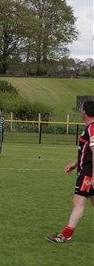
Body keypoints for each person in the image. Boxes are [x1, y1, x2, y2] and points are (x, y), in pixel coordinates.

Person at [46, 100, 94, 243]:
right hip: (86, 171)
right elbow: (87, 152)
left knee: (78, 202)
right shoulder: (90, 128)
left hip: (88, 174)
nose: (81, 111)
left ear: (85, 112)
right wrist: (75, 164)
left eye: (81, 109)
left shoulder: (92, 128)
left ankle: (65, 235)